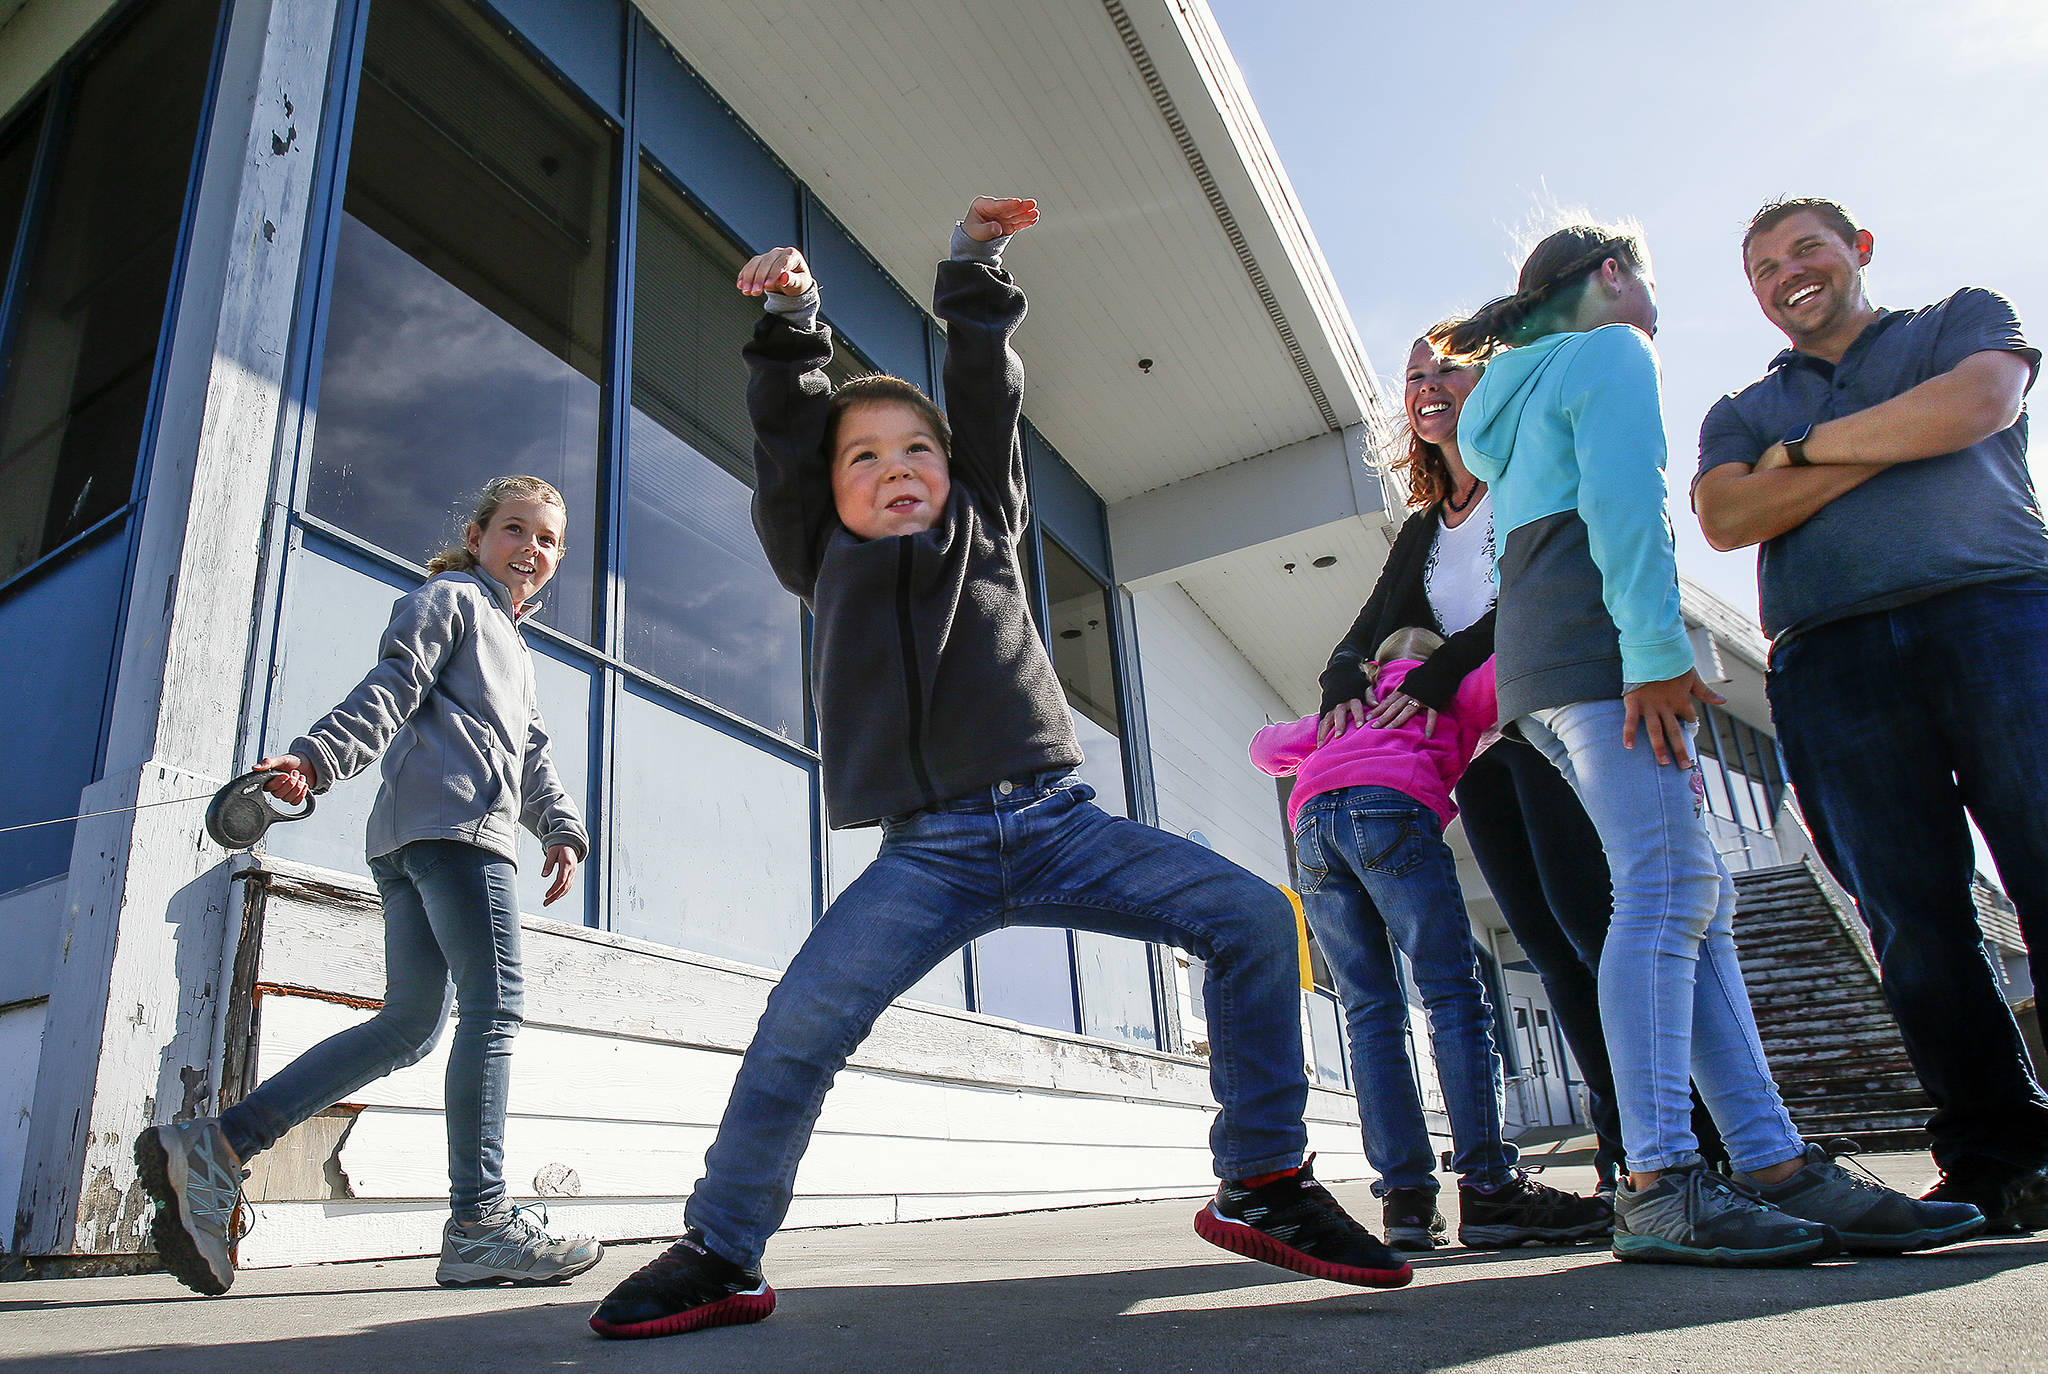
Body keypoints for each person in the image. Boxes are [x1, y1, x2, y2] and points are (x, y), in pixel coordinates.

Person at [587, 197, 1408, 1343]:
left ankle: (1262, 1178)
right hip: (927, 857)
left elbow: (982, 394)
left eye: (915, 451)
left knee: (1256, 920)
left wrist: (974, 271)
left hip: (1059, 822)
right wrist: (791, 318)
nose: (897, 469)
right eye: (863, 459)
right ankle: (722, 1250)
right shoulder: (815, 555)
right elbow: (786, 433)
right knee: (798, 1027)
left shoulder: (984, 518)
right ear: (825, 497)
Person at [1444, 222, 1984, 1265]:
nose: (1652, 300)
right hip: (1597, 655)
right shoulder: (1609, 350)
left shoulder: (1506, 394)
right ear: (1609, 276)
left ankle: (1771, 1162)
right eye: (1642, 278)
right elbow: (1623, 507)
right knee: (1663, 893)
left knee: (1697, 895)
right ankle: (1657, 1180)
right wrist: (1652, 652)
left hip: (1537, 670)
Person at [135, 476, 601, 1295]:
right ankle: (483, 1221)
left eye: (548, 540)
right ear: (479, 533)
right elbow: (394, 683)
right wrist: (316, 758)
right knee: (494, 1012)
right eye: (515, 530)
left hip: (415, 841)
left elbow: (529, 752)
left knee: (411, 1027)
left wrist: (562, 830)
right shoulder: (452, 597)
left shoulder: (511, 643)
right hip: (453, 835)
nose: (531, 549)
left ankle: (220, 1146)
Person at [1694, 196, 2048, 1230]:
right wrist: (1894, 436)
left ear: (1857, 249)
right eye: (1760, 268)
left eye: (1802, 249)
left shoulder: (1957, 320)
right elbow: (1725, 515)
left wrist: (1801, 460)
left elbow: (1977, 405)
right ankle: (1996, 1156)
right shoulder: (1740, 408)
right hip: (1829, 658)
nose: (1784, 275)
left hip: (1999, 615)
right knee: (1909, 922)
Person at [1321, 332, 1636, 1217]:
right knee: (1545, 944)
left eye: (1445, 369)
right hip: (1483, 758)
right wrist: (1343, 676)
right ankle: (1621, 1150)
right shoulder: (1423, 527)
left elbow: (1526, 602)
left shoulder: (1527, 483)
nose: (1425, 385)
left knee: (1598, 929)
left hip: (1552, 728)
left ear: (1489, 383)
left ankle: (1681, 1140)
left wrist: (1435, 668)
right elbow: (1368, 623)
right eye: (1413, 375)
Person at [1253, 630, 1612, 1251]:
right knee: (1451, 996)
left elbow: (1264, 749)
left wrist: (1341, 705)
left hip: (1312, 828)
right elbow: (1520, 662)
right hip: (1393, 808)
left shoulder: (1346, 711)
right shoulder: (1448, 692)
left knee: (1369, 1011)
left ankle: (1407, 1201)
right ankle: (1489, 1187)